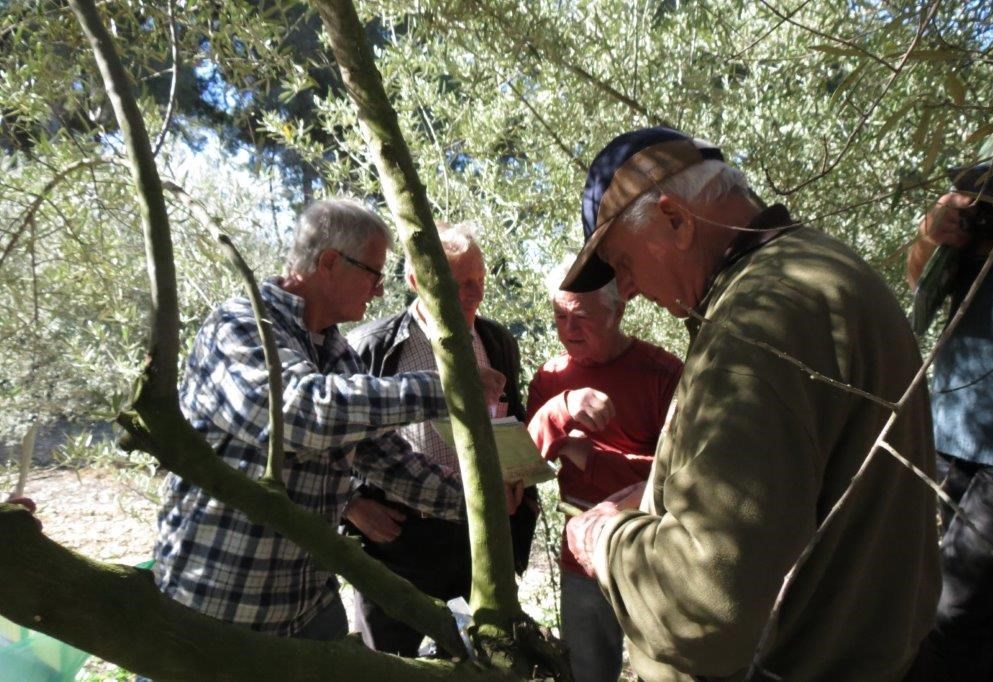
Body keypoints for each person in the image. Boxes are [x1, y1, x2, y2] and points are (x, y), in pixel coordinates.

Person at [559, 127, 940, 681]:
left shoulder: (753, 329)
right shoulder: (823, 266)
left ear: (675, 220)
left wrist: (603, 540)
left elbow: (704, 609)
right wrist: (668, 495)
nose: (628, 289)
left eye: (622, 263)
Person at [152, 199, 510, 641]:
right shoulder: (241, 326)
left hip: (307, 607)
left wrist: (477, 501)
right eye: (374, 274)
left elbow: (385, 457)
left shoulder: (334, 351)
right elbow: (304, 413)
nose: (379, 291)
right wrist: (447, 389)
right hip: (220, 605)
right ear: (329, 262)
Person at [345, 222, 536, 656]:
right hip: (399, 539)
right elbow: (333, 443)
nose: (474, 293)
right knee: (390, 663)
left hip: (479, 538)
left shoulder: (496, 341)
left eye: (480, 281)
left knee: (476, 657)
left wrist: (516, 483)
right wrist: (352, 505)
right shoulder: (370, 347)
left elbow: (512, 423)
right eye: (460, 283)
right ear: (416, 281)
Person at [906, 18, 993, 681]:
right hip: (949, 427)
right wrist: (935, 229)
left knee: (951, 619)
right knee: (957, 613)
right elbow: (919, 278)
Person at [526, 257, 682, 682]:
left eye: (581, 318)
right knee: (587, 673)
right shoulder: (550, 378)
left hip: (652, 553)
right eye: (559, 316)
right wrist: (559, 411)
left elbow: (683, 476)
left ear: (617, 311)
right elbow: (523, 461)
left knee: (667, 673)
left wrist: (591, 458)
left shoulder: (662, 374)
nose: (568, 331)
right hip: (579, 558)